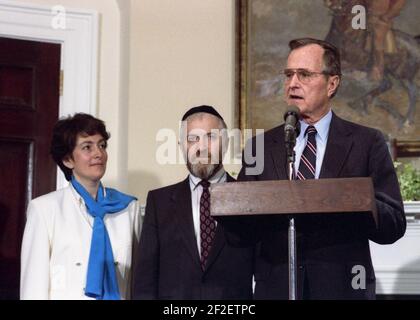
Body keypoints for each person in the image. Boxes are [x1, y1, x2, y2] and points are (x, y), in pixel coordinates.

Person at [230, 38, 406, 299]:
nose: (292, 84)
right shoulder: (262, 146)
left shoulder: (367, 142)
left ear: (332, 84)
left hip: (342, 289)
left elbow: (394, 224)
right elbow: (240, 229)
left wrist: (358, 199)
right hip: (276, 288)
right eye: (289, 75)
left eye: (304, 75)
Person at [132, 105, 254, 299]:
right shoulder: (159, 203)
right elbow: (145, 282)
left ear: (226, 143)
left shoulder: (249, 196)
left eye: (210, 137)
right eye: (192, 139)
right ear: (182, 146)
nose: (202, 147)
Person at [20, 113, 140, 300]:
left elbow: (137, 282)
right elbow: (33, 288)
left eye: (101, 145)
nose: (98, 153)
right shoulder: (44, 209)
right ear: (68, 160)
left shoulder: (128, 207)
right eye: (87, 147)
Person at [367, 0, 406, 81]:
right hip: (366, 15)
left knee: (377, 35)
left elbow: (397, 7)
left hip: (382, 19)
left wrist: (385, 18)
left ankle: (378, 67)